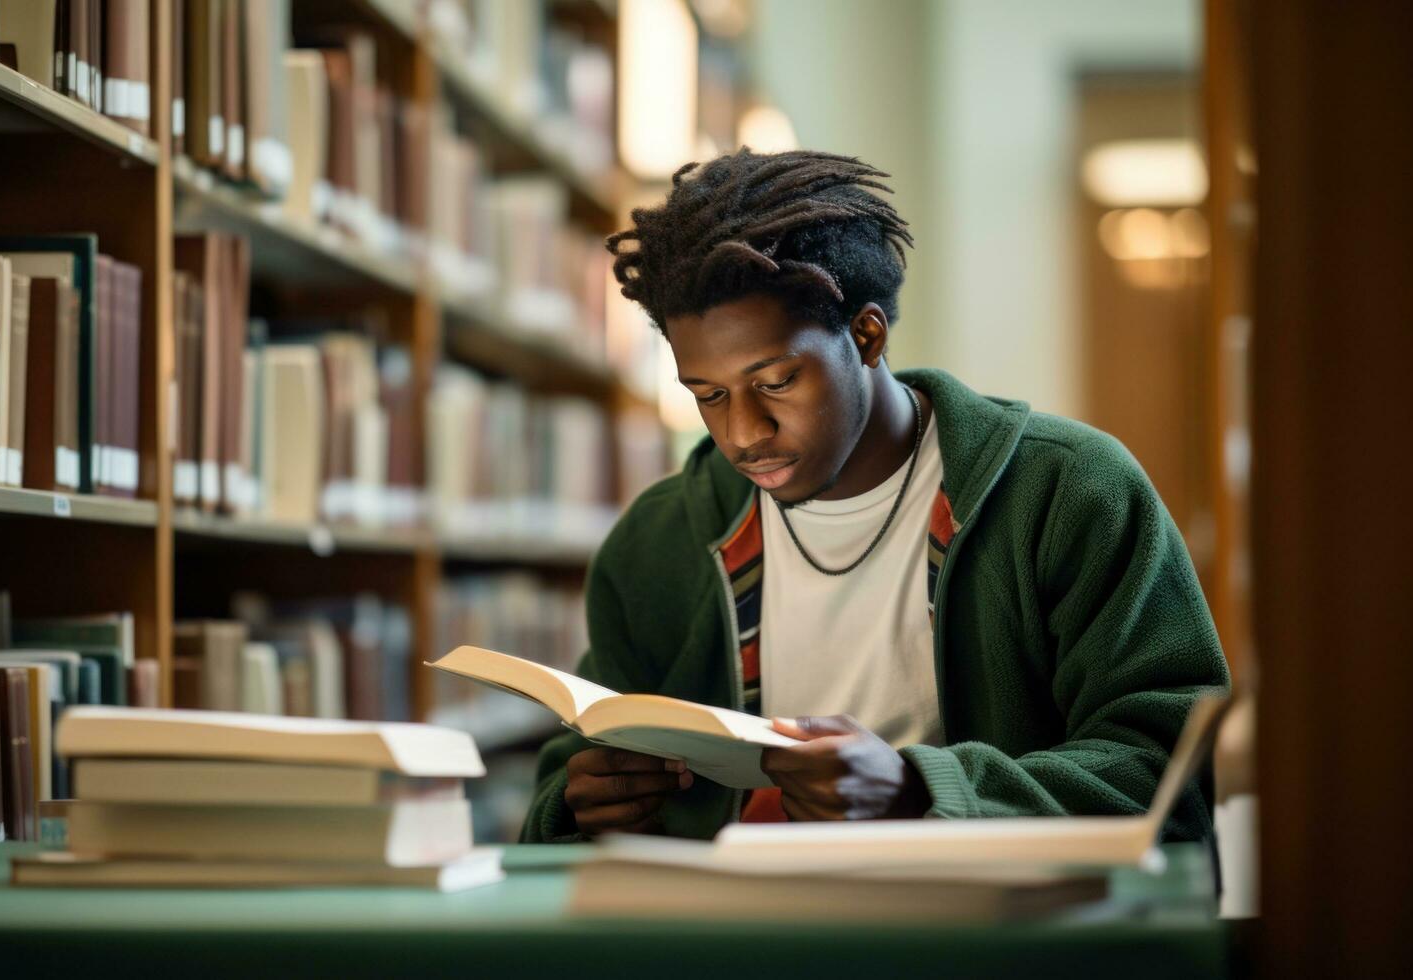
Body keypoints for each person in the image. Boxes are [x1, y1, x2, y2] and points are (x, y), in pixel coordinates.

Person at [521, 149, 1231, 841]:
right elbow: (565, 781)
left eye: (775, 383)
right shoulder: (659, 539)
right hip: (737, 943)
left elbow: (1166, 771)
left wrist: (920, 789)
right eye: (707, 395)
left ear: (866, 334)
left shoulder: (1066, 490)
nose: (743, 433)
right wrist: (581, 802)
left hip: (991, 942)